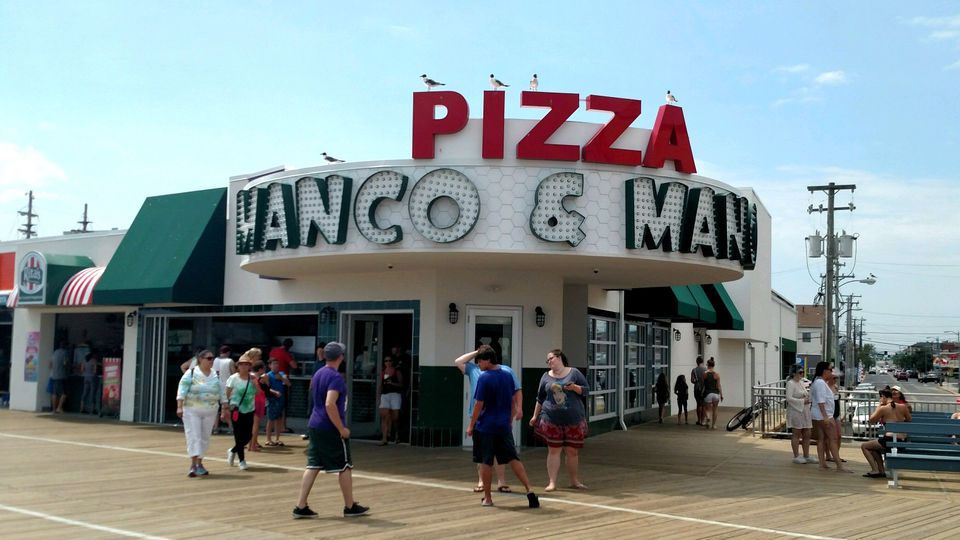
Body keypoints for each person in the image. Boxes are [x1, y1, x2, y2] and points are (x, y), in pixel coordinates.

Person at [294, 342, 369, 518]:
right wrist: (341, 428)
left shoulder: (319, 373)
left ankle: (300, 505)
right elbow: (330, 403)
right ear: (341, 357)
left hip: (315, 424)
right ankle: (349, 506)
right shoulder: (336, 378)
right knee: (345, 466)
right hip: (329, 427)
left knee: (313, 465)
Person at [470, 345, 539, 508]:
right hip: (503, 425)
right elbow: (512, 400)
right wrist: (510, 418)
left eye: (480, 360)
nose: (478, 364)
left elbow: (479, 404)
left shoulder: (484, 377)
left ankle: (487, 498)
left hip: (486, 425)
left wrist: (471, 425)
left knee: (486, 461)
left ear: (487, 360)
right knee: (513, 458)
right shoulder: (508, 375)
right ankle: (530, 490)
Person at [455, 346, 522, 494]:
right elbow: (458, 361)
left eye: (481, 359)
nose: (478, 362)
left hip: (499, 417)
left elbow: (517, 390)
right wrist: (477, 353)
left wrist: (518, 408)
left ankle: (501, 481)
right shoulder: (473, 369)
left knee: (500, 451)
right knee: (481, 452)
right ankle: (481, 481)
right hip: (478, 416)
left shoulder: (505, 371)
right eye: (477, 360)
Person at [529, 348, 589, 492]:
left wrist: (574, 387)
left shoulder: (574, 372)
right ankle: (552, 482)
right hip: (551, 419)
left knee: (572, 451)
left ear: (559, 357)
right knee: (553, 451)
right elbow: (540, 398)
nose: (549, 362)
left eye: (551, 358)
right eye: (547, 360)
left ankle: (574, 481)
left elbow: (586, 390)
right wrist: (535, 416)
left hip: (573, 419)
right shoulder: (545, 376)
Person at [176, 350, 228, 477]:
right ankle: (193, 464)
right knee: (194, 435)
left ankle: (200, 463)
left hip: (210, 411)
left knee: (205, 437)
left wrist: (225, 407)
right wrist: (179, 407)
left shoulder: (215, 374)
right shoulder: (192, 372)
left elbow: (222, 391)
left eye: (212, 358)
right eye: (209, 358)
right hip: (192, 410)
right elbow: (182, 389)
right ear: (200, 359)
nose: (211, 361)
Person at [861, 388, 912, 478]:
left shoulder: (884, 408)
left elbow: (871, 420)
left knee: (864, 446)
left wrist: (879, 406)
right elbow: (909, 420)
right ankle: (881, 471)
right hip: (901, 441)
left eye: (880, 398)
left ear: (883, 397)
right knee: (873, 448)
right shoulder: (903, 406)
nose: (880, 400)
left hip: (889, 440)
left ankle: (875, 470)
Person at [810, 361, 849, 472]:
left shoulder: (817, 382)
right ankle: (839, 466)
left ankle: (822, 464)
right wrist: (826, 417)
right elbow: (821, 401)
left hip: (818, 415)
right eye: (830, 370)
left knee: (821, 439)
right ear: (824, 371)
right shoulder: (821, 383)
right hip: (824, 415)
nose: (831, 372)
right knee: (833, 439)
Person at [225, 351, 257, 471]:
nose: (244, 367)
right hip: (236, 409)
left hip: (249, 409)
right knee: (238, 435)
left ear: (249, 366)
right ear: (238, 366)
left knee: (248, 435)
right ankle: (242, 460)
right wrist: (226, 408)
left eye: (246, 364)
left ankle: (233, 450)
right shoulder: (233, 378)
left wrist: (255, 384)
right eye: (242, 364)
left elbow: (258, 393)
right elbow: (227, 394)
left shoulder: (252, 377)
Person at [785, 366, 816, 464]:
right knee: (797, 433)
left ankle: (806, 455)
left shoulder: (801, 383)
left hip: (805, 410)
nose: (802, 374)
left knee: (807, 432)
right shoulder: (790, 383)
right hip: (796, 410)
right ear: (794, 373)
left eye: (803, 372)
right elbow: (789, 398)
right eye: (800, 372)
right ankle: (796, 456)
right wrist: (802, 401)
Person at [269, 339, 298, 434]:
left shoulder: (273, 351)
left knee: (271, 404)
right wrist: (292, 358)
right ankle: (283, 427)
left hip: (271, 380)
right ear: (289, 347)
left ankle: (271, 426)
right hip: (282, 381)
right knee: (283, 405)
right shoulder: (286, 353)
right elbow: (294, 366)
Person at [262, 358, 290, 447]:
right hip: (272, 399)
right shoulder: (267, 375)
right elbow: (266, 388)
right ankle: (268, 439)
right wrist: (274, 392)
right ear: (270, 366)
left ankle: (277, 438)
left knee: (279, 419)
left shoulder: (282, 374)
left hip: (281, 399)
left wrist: (281, 378)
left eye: (277, 364)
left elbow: (288, 384)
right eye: (274, 364)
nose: (276, 365)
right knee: (270, 419)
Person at [248, 355, 272, 453]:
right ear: (261, 369)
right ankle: (252, 446)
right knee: (256, 424)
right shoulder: (261, 377)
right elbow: (267, 389)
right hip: (258, 399)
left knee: (250, 424)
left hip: (248, 400)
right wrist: (267, 381)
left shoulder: (249, 375)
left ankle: (251, 444)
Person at [377, 356, 404, 445]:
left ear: (392, 362)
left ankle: (397, 434)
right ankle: (384, 438)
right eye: (386, 360)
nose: (388, 362)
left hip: (395, 395)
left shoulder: (397, 372)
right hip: (385, 395)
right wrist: (378, 396)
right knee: (384, 416)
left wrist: (392, 383)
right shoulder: (383, 372)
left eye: (389, 360)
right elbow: (381, 385)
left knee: (395, 417)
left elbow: (401, 385)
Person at [213, 346, 235, 434]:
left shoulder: (215, 360)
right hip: (227, 387)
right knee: (226, 408)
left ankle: (215, 428)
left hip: (216, 386)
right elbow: (234, 374)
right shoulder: (230, 361)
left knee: (216, 408)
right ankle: (230, 427)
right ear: (228, 352)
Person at [702, 357, 723, 429]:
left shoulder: (705, 374)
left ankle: (708, 417)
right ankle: (713, 425)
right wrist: (721, 395)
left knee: (707, 408)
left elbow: (703, 384)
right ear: (713, 365)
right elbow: (719, 385)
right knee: (715, 409)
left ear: (707, 365)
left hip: (708, 393)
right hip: (716, 394)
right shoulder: (717, 374)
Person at [50, 341, 70, 413]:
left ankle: (53, 409)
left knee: (54, 393)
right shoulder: (65, 353)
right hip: (62, 376)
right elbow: (65, 364)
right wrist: (68, 368)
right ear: (65, 346)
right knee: (64, 393)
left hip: (54, 376)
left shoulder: (55, 352)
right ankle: (59, 407)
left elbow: (50, 364)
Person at [690, 356, 706, 426]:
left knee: (698, 404)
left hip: (697, 389)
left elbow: (692, 380)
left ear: (696, 362)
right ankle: (703, 421)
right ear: (702, 362)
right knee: (703, 405)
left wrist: (696, 382)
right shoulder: (706, 370)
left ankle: (699, 420)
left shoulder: (694, 370)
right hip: (704, 389)